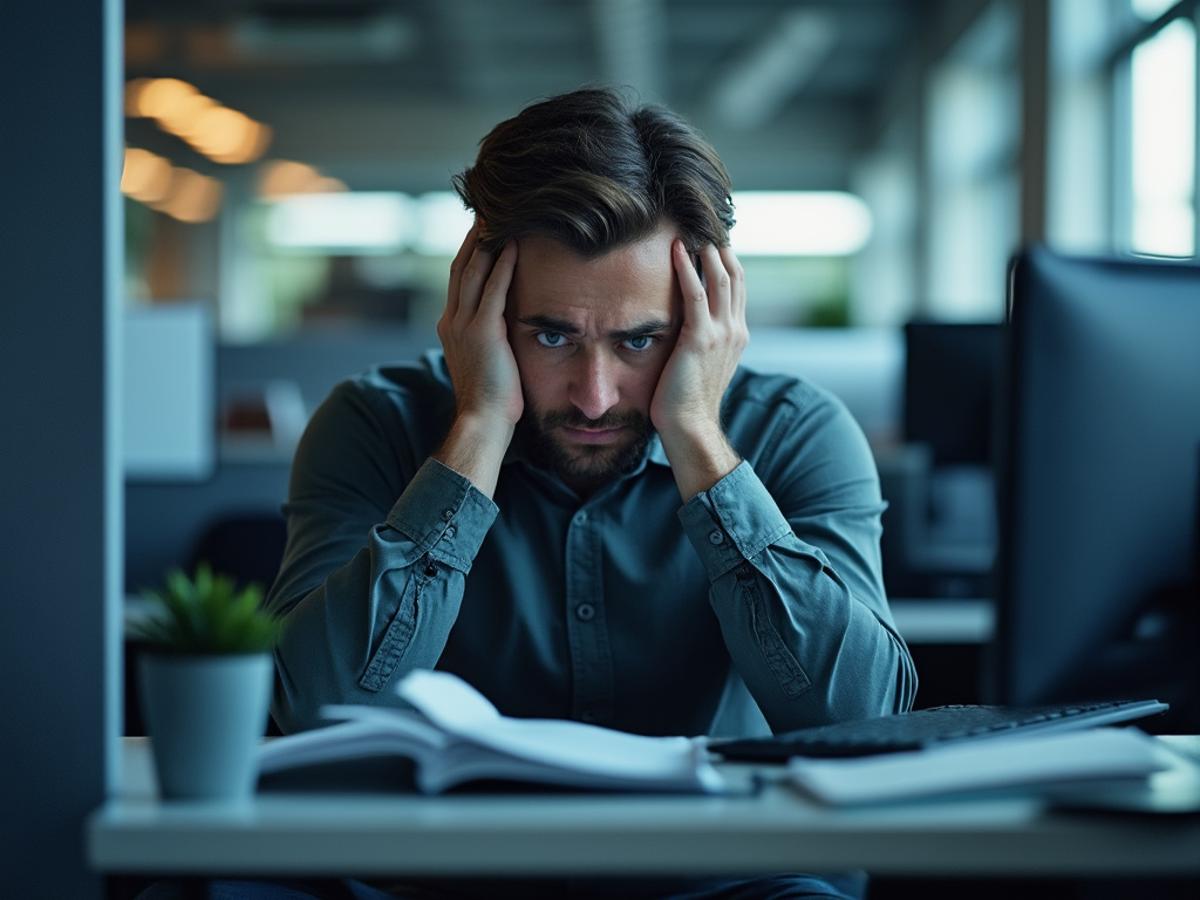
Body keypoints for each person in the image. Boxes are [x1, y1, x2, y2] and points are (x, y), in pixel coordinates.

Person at [261, 87, 914, 899]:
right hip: (441, 884)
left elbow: (862, 722)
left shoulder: (796, 431)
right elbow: (317, 709)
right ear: (480, 307)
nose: (596, 394)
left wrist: (700, 444)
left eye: (641, 339)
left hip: (723, 886)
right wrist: (476, 431)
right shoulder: (377, 424)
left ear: (708, 314)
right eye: (551, 335)